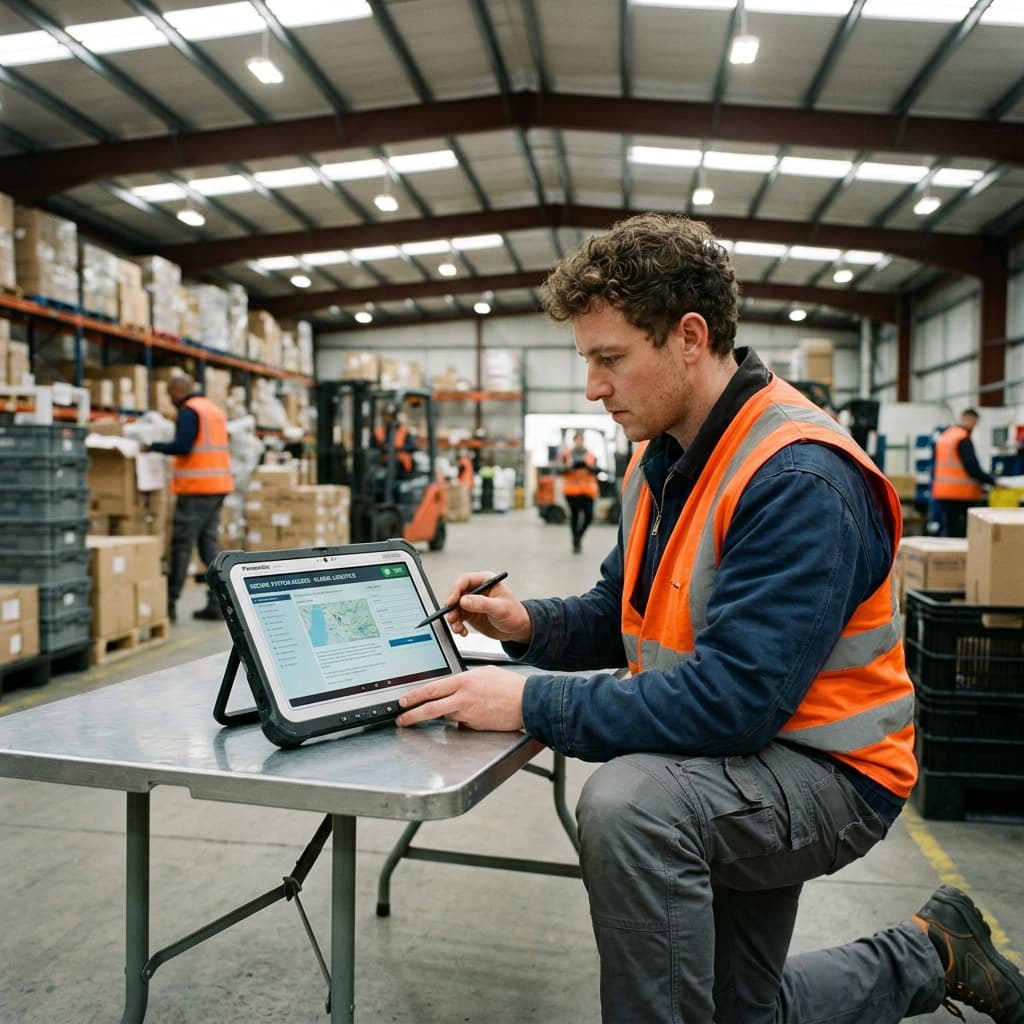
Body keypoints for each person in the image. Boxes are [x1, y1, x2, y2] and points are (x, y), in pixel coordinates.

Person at [393, 213, 1024, 1024]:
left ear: (690, 336)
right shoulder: (663, 460)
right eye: (587, 360)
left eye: (609, 359)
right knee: (738, 1012)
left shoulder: (798, 476)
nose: (593, 386)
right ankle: (931, 951)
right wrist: (524, 627)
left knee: (631, 805)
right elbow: (622, 612)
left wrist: (524, 701)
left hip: (828, 770)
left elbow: (732, 702)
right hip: (734, 759)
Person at [144, 373, 233, 623]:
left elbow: (183, 446)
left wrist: (152, 446)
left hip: (197, 488)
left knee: (181, 546)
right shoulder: (212, 409)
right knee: (209, 547)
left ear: (177, 390)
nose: (170, 400)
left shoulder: (189, 411)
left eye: (170, 394)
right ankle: (219, 604)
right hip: (218, 486)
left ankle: (169, 604)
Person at [931, 408, 997, 537]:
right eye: (975, 422)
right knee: (962, 535)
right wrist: (993, 481)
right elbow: (972, 468)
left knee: (949, 532)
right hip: (961, 495)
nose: (975, 426)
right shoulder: (963, 439)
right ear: (969, 420)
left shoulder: (946, 436)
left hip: (944, 492)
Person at [558, 429, 599, 553]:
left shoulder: (591, 454)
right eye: (577, 440)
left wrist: (588, 466)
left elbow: (596, 469)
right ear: (574, 440)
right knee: (575, 517)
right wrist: (569, 467)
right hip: (572, 491)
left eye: (581, 440)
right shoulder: (566, 454)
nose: (579, 442)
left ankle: (578, 537)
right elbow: (559, 469)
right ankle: (576, 542)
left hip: (588, 491)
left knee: (589, 516)